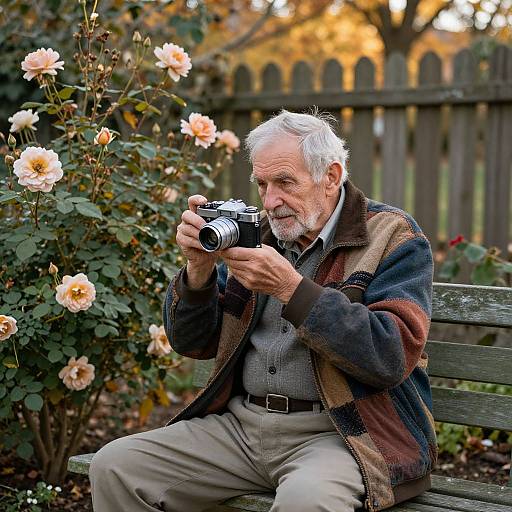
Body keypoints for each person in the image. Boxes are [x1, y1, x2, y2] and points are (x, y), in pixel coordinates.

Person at [90, 109, 437, 512]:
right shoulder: (260, 233)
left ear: (330, 176)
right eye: (262, 184)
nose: (271, 201)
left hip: (343, 434)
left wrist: (291, 288)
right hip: (242, 427)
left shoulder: (392, 236)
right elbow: (192, 343)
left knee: (305, 502)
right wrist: (198, 269)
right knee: (115, 466)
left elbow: (389, 355)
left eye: (285, 182)